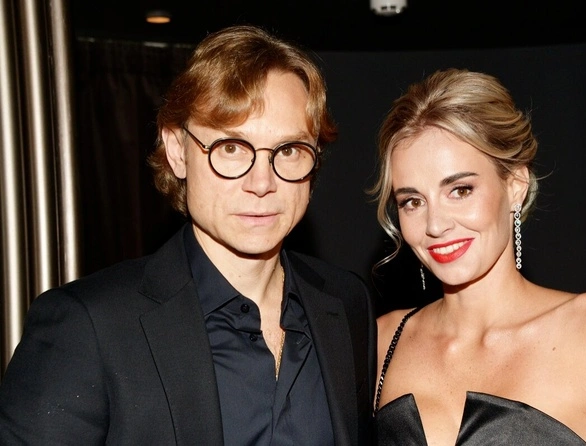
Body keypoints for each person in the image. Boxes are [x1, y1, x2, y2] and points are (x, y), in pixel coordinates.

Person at [0, 25, 375, 445]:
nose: (262, 183)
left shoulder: (346, 305)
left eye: (288, 150)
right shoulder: (87, 327)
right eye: (231, 148)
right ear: (178, 151)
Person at [370, 68, 586, 445]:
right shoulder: (381, 343)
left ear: (515, 185)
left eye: (460, 190)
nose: (435, 224)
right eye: (413, 201)